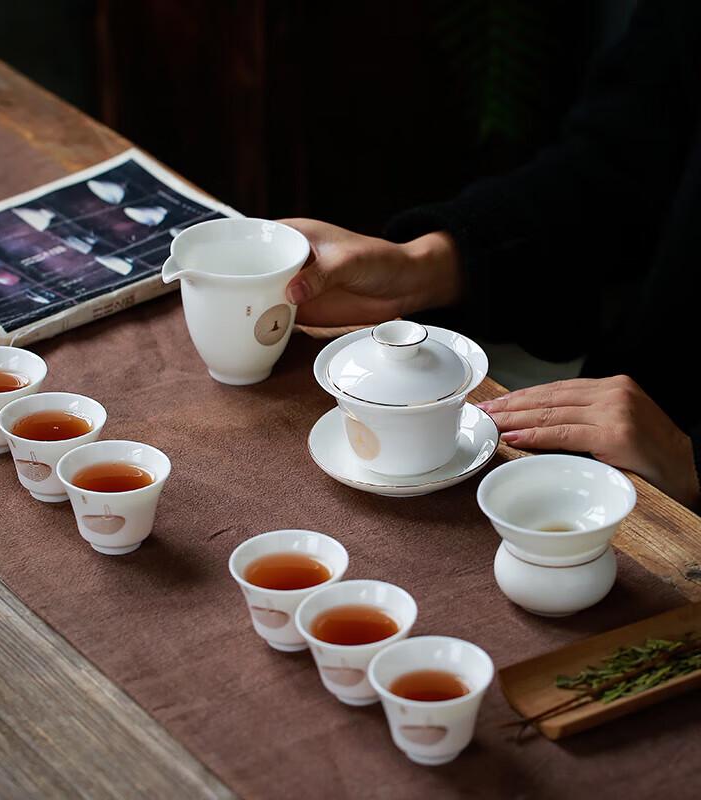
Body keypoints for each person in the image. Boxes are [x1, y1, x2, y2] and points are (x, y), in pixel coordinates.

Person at [282, 0, 701, 509]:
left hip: (669, 464)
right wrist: (419, 266)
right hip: (623, 420)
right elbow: (615, 168)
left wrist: (690, 459)